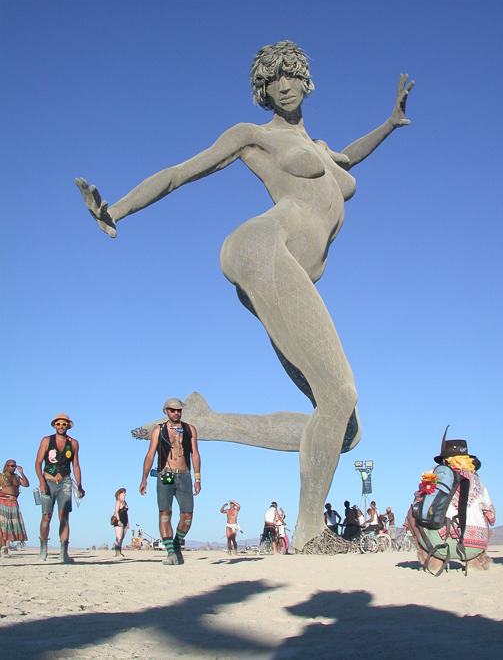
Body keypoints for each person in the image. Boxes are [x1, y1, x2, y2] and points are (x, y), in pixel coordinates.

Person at [77, 40, 414, 551]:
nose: (281, 83)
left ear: (305, 79)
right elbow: (180, 173)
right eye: (270, 78)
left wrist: (389, 124)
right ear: (263, 91)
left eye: (290, 73)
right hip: (261, 249)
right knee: (341, 392)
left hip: (283, 277)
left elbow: (351, 157)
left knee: (343, 428)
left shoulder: (322, 149)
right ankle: (310, 533)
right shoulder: (253, 136)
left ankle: (207, 423)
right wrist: (116, 210)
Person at [408, 427, 495, 572]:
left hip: (439, 543)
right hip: (474, 546)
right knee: (483, 514)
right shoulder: (477, 481)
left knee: (412, 512)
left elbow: (420, 503)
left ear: (444, 459)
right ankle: (474, 561)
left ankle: (434, 559)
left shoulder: (431, 474)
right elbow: (492, 517)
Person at [140, 398, 201, 565]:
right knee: (165, 514)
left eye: (179, 410)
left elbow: (195, 454)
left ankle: (176, 543)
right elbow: (150, 454)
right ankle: (170, 553)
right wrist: (144, 478)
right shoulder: (158, 430)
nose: (176, 413)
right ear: (166, 411)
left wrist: (197, 478)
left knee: (187, 516)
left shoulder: (190, 430)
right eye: (173, 410)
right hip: (165, 475)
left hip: (184, 475)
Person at [35, 414, 84, 563]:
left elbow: (75, 465)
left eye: (64, 424)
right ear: (55, 425)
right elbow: (38, 463)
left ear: (68, 426)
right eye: (59, 424)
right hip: (48, 481)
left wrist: (80, 486)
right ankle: (43, 549)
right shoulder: (46, 441)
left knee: (64, 517)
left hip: (65, 481)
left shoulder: (73, 443)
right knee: (46, 517)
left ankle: (63, 552)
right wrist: (41, 482)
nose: (61, 426)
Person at [0, 460, 29, 556]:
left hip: (13, 503)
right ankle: (3, 548)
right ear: (7, 466)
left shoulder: (16, 477)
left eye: (15, 466)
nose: (13, 468)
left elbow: (26, 484)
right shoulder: (2, 476)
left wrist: (21, 472)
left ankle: (5, 547)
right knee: (3, 526)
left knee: (11, 526)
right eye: (12, 466)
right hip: (3, 501)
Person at [113, 488, 129, 558]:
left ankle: (120, 550)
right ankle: (117, 552)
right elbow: (116, 512)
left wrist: (128, 522)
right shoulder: (118, 502)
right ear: (119, 495)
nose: (124, 494)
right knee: (119, 537)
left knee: (122, 537)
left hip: (125, 521)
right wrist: (118, 520)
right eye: (123, 493)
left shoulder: (125, 503)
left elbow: (126, 513)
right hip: (119, 521)